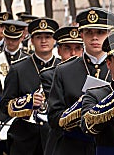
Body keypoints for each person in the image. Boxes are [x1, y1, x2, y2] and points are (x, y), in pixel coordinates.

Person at [47, 7, 114, 155]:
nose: (95, 38)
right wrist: (77, 111)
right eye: (89, 32)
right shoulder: (64, 71)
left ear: (109, 34)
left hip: (109, 146)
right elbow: (53, 117)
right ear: (81, 35)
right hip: (74, 146)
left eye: (100, 32)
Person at [0, 18, 60, 155]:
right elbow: (4, 104)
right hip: (24, 139)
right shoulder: (18, 69)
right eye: (39, 37)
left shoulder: (63, 67)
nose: (43, 41)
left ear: (54, 40)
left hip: (54, 138)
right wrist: (26, 103)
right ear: (31, 40)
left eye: (48, 37)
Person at [0, 20, 29, 155]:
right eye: (8, 38)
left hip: (20, 114)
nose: (11, 42)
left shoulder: (28, 60)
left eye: (15, 39)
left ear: (21, 37)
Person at [40, 26, 84, 155]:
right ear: (58, 51)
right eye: (67, 48)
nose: (73, 53)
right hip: (64, 137)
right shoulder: (50, 75)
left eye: (78, 48)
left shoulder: (90, 71)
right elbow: (57, 109)